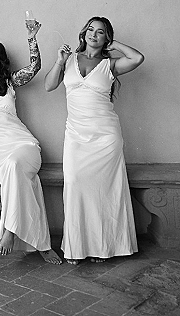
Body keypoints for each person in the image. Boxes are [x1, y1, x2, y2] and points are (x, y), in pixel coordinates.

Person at [44, 17, 144, 264]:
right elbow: (48, 85)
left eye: (101, 32)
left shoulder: (110, 64)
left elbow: (137, 58)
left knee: (103, 192)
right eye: (90, 29)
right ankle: (77, 247)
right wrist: (58, 61)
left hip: (105, 136)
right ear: (83, 33)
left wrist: (115, 43)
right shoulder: (68, 60)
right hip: (76, 135)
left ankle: (102, 247)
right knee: (76, 185)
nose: (94, 35)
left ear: (106, 38)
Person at [0, 21, 61, 263]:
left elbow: (35, 67)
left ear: (1, 61)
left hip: (24, 145)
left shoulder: (9, 82)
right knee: (11, 169)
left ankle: (8, 230)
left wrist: (32, 37)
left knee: (14, 167)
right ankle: (41, 244)